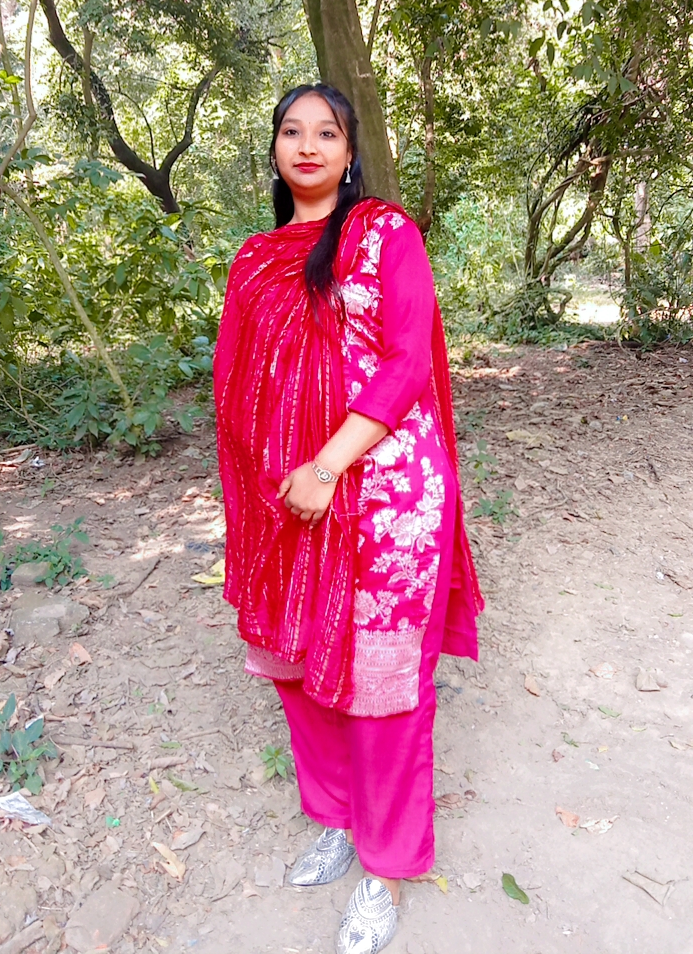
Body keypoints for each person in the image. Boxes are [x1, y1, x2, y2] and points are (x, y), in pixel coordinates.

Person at [213, 83, 483, 954]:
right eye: (291, 131)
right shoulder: (256, 259)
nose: (308, 145)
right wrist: (273, 486)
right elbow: (237, 387)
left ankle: (386, 868)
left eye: (326, 132)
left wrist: (329, 464)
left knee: (383, 685)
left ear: (350, 150)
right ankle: (336, 818)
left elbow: (407, 363)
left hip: (384, 497)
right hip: (286, 497)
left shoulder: (384, 234)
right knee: (299, 668)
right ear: (275, 151)